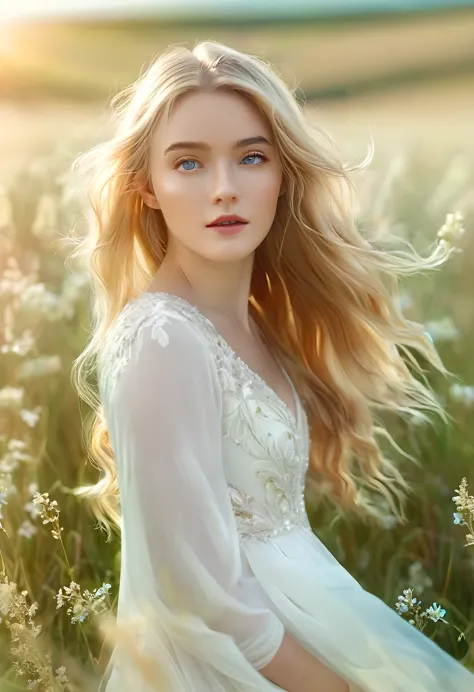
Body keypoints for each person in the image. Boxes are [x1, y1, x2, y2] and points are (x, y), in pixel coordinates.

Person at [70, 41, 474, 692]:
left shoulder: (253, 322)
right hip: (224, 670)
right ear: (145, 185)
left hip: (309, 638)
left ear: (282, 173)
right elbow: (198, 596)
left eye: (251, 157)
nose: (225, 189)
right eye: (189, 163)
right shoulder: (160, 340)